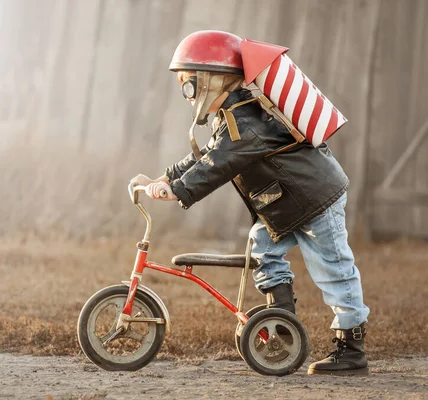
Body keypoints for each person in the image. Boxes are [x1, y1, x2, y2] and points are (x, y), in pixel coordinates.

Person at [130, 30, 370, 376]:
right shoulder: (232, 116)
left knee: (332, 269)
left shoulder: (245, 122)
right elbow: (206, 155)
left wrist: (181, 191)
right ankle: (282, 322)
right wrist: (165, 179)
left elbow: (218, 164)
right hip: (287, 202)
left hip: (316, 199)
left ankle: (352, 347)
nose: (186, 94)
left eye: (190, 84)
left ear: (214, 81)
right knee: (262, 248)